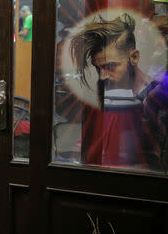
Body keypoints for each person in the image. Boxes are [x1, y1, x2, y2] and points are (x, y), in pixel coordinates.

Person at [69, 13, 166, 169]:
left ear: (134, 57)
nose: (102, 76)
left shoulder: (155, 97)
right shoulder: (112, 94)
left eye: (110, 67)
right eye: (98, 68)